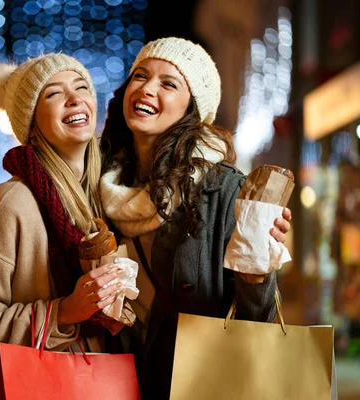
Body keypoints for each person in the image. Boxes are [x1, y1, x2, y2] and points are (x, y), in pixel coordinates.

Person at [99, 37, 292, 398]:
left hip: (202, 383)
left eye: (168, 83)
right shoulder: (100, 185)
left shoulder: (224, 188)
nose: (146, 88)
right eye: (140, 76)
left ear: (192, 107)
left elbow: (258, 322)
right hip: (119, 382)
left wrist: (257, 270)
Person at [0, 53, 124, 400]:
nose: (74, 98)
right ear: (31, 122)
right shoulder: (11, 203)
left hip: (98, 382)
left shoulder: (107, 200)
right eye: (54, 93)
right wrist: (63, 312)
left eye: (82, 86)